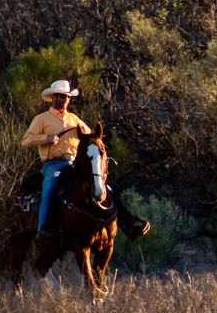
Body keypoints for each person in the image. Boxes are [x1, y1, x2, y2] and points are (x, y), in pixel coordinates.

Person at [21, 80, 150, 244]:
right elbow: (25, 140)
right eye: (61, 96)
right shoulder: (42, 119)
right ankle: (43, 229)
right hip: (53, 164)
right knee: (49, 190)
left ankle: (127, 224)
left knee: (106, 189)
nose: (64, 99)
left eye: (66, 97)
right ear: (53, 97)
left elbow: (90, 135)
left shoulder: (74, 119)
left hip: (74, 164)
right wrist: (45, 138)